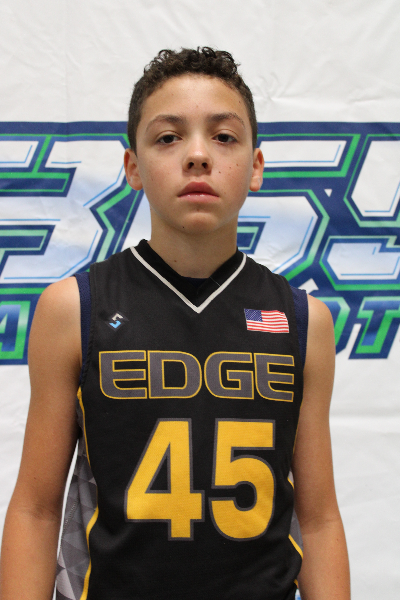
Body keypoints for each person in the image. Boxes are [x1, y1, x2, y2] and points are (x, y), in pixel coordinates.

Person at [0, 47, 350, 600]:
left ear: (256, 166)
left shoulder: (305, 320)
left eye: (224, 137)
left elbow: (320, 519)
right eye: (168, 137)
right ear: (133, 168)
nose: (198, 156)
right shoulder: (73, 308)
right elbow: (36, 510)